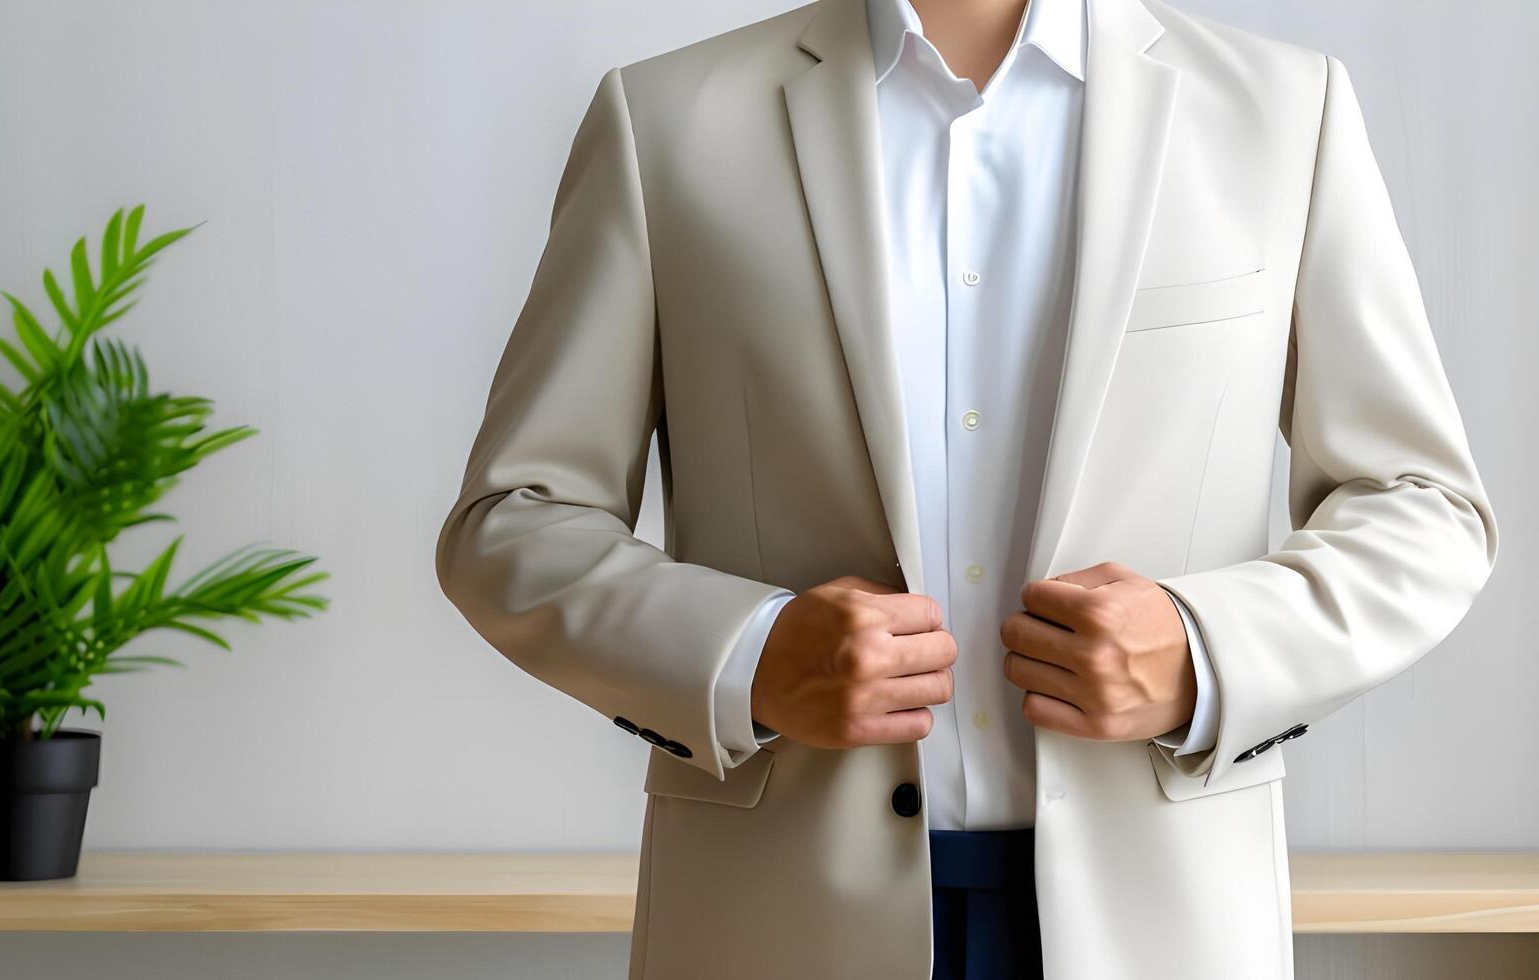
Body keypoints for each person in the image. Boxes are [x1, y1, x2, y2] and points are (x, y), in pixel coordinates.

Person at [434, 0, 1499, 976]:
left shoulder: (1282, 112)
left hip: (1158, 916)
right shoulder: (664, 118)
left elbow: (1422, 506)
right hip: (780, 914)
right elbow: (513, 522)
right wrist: (748, 653)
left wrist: (1203, 649)